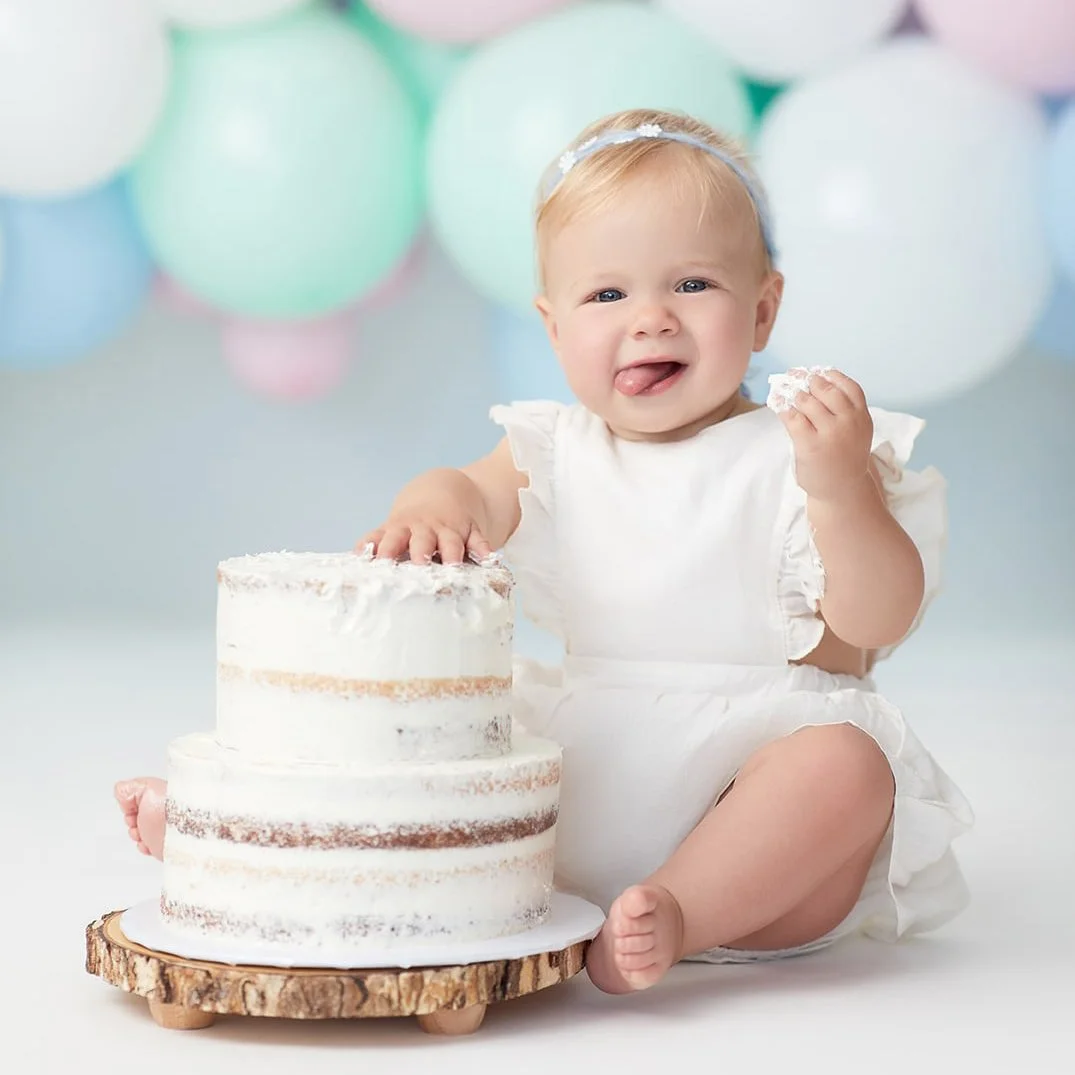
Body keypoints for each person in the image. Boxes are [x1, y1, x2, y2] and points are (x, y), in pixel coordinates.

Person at [116, 107, 973, 995]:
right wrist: (428, 511)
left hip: (749, 800)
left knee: (845, 767)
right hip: (571, 777)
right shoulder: (556, 448)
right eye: (607, 296)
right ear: (553, 327)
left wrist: (839, 490)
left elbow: (877, 619)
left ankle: (678, 911)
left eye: (690, 286)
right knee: (433, 729)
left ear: (762, 310)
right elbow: (464, 487)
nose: (649, 320)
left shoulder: (803, 452)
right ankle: (256, 837)